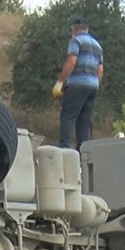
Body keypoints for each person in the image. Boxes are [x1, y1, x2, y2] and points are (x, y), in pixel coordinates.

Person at [52, 15, 104, 150]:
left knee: (68, 116)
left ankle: (64, 147)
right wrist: (96, 85)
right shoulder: (97, 45)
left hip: (77, 84)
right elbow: (100, 70)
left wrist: (60, 82)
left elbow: (71, 62)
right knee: (84, 120)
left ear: (73, 29)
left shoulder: (75, 40)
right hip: (93, 86)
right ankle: (83, 151)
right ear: (86, 29)